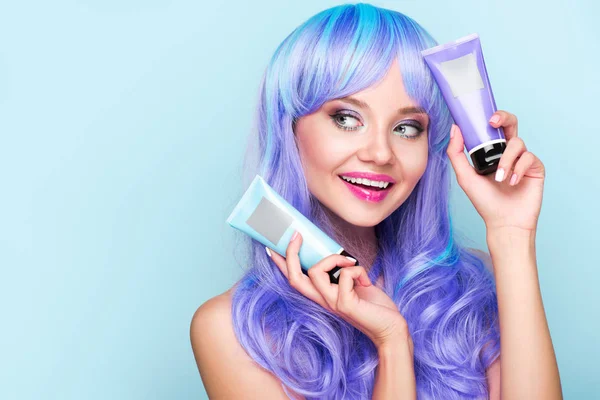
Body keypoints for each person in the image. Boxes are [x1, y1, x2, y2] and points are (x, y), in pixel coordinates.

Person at [190, 3, 562, 399]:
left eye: (407, 127)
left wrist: (511, 234)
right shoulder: (232, 330)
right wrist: (391, 341)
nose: (381, 153)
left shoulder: (472, 286)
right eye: (347, 119)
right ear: (290, 129)